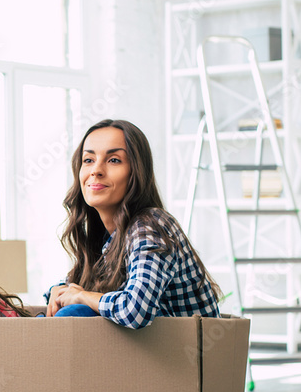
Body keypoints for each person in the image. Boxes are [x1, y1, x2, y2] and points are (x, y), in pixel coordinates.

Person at [45, 119, 222, 328]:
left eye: (113, 160)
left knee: (77, 312)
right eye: (89, 160)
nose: (96, 170)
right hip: (149, 357)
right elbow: (76, 288)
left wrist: (82, 297)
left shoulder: (150, 225)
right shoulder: (108, 237)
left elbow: (135, 311)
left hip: (183, 357)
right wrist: (60, 290)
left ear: (136, 172)